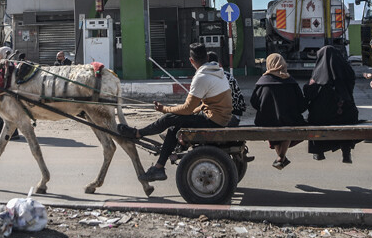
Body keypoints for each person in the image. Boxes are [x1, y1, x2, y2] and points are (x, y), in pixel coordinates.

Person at [117, 43, 232, 182]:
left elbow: (187, 109)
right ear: (207, 57)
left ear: (191, 60)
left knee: (169, 118)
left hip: (214, 120)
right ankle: (159, 168)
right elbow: (201, 105)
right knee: (173, 127)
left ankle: (137, 133)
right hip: (221, 118)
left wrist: (164, 109)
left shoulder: (201, 76)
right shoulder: (216, 71)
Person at [250, 53, 306, 170]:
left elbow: (254, 102)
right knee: (287, 123)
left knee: (272, 121)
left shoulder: (262, 82)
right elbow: (302, 105)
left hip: (266, 121)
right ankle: (281, 157)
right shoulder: (291, 82)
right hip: (290, 121)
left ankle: (280, 157)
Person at [305, 46, 359, 163]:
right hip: (345, 115)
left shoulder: (318, 73)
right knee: (348, 116)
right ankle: (346, 151)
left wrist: (310, 85)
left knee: (314, 116)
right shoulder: (346, 71)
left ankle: (318, 151)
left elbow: (308, 95)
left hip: (322, 118)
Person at [207, 52, 246, 126]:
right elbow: (241, 103)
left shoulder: (208, 77)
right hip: (235, 117)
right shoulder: (229, 76)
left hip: (222, 118)